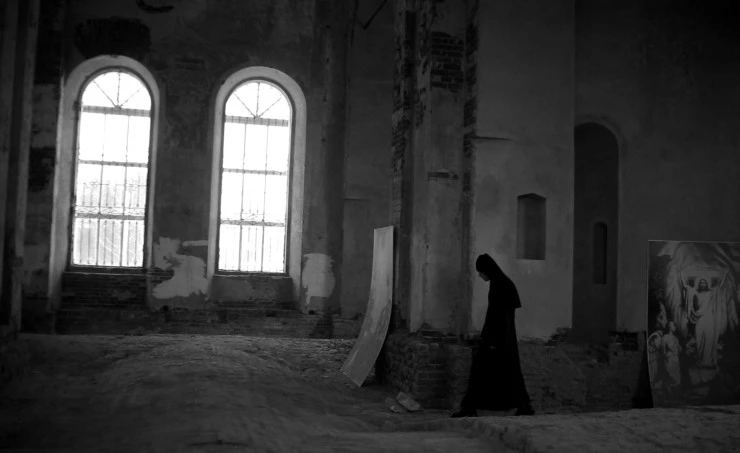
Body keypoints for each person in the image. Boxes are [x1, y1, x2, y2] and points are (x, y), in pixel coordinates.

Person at [451, 253, 535, 417]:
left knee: (482, 370)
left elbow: (502, 317)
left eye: (480, 272)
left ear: (487, 270)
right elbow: (495, 315)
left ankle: (470, 408)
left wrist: (494, 341)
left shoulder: (501, 286)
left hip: (498, 340)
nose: (480, 275)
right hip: (501, 339)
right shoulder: (500, 284)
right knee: (508, 373)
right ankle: (523, 406)